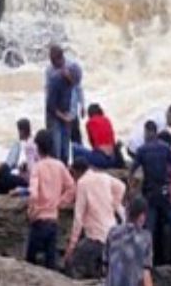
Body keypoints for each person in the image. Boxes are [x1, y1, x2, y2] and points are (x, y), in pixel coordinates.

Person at [129, 121, 171, 262]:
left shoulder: (142, 150)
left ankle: (146, 260)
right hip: (164, 192)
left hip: (150, 195)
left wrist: (131, 188)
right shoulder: (164, 148)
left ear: (146, 132)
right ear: (155, 133)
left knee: (149, 229)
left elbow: (132, 170)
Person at [64, 157, 125, 279]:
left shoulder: (82, 183)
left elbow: (78, 216)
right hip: (112, 231)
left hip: (96, 237)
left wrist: (71, 245)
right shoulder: (103, 177)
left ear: (76, 172)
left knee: (72, 263)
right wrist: (114, 204)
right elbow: (121, 186)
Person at [26, 129, 75, 271]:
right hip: (53, 219)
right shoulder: (59, 165)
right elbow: (72, 186)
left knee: (30, 262)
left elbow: (33, 194)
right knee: (50, 262)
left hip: (39, 221)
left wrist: (32, 211)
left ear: (38, 147)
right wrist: (60, 202)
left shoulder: (37, 167)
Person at [45, 44, 82, 164]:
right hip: (55, 117)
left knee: (66, 148)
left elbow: (78, 88)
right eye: (73, 80)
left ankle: (67, 168)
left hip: (66, 115)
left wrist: (74, 111)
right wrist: (64, 117)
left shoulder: (72, 76)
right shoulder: (55, 80)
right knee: (56, 149)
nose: (73, 84)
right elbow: (50, 107)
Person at [105, 196, 153, 286]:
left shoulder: (112, 232)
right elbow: (146, 272)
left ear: (126, 212)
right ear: (142, 216)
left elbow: (106, 264)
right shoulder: (145, 237)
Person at [73, 103, 121, 169]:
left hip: (102, 159)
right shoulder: (107, 120)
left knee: (73, 147)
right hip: (113, 158)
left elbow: (92, 143)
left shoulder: (90, 122)